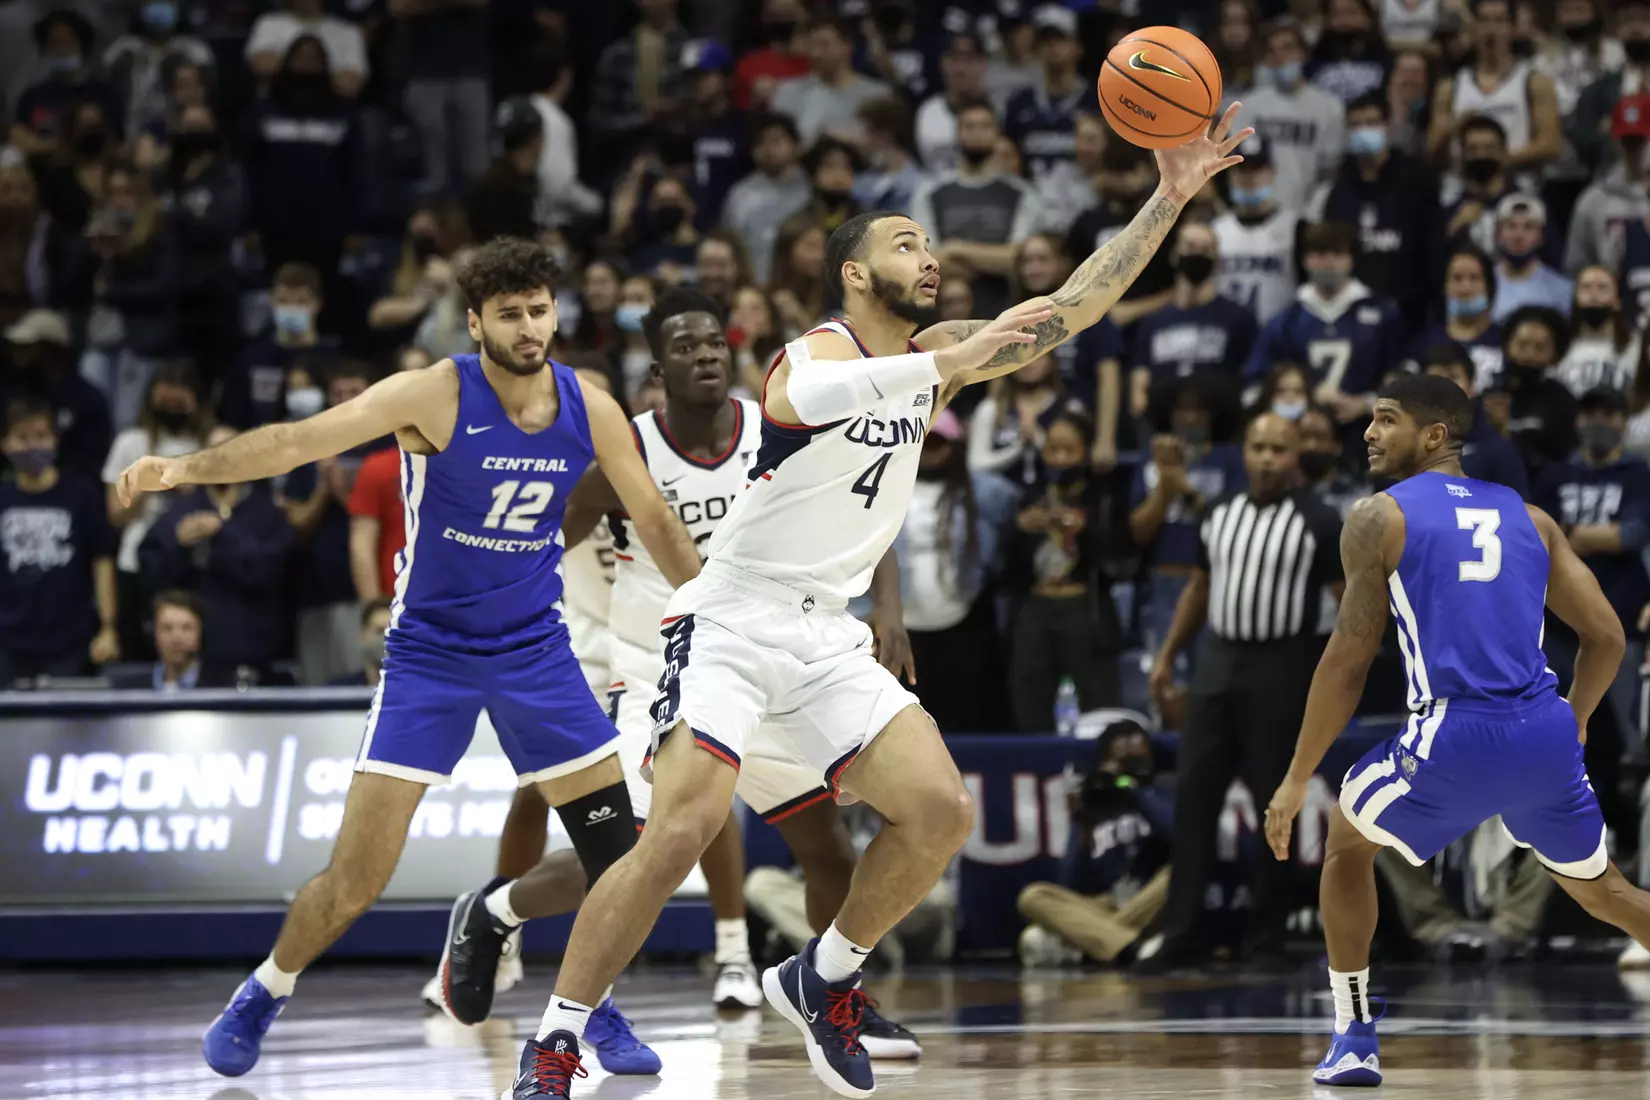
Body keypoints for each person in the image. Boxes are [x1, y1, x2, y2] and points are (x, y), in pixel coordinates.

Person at [500, 105, 1254, 1100]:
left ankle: (825, 976)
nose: (928, 255)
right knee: (676, 827)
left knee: (939, 809)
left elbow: (1070, 304)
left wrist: (1169, 196)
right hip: (731, 617)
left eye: (932, 242)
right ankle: (554, 1037)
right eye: (907, 242)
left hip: (822, 626)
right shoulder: (814, 351)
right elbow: (807, 403)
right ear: (855, 271)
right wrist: (947, 365)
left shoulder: (932, 355)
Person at [115, 238, 702, 1079]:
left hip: (536, 647)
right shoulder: (436, 393)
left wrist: (714, 607)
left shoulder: (593, 405)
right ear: (475, 322)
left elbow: (654, 517)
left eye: (540, 310)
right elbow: (300, 440)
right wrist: (183, 468)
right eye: (510, 314)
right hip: (430, 654)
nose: (530, 327)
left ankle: (588, 1012)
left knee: (620, 856)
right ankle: (266, 988)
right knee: (356, 881)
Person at [431, 289, 920, 1054]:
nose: (705, 356)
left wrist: (887, 610)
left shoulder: (780, 424)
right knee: (629, 849)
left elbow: (863, 506)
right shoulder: (629, 450)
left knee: (826, 845)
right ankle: (498, 911)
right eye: (686, 347)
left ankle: (836, 997)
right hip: (661, 664)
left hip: (768, 653)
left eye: (715, 344)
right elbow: (543, 539)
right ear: (658, 369)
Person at [1261, 372, 1647, 1088]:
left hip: (1454, 734)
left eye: (1384, 420)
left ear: (1434, 435)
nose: (1368, 433)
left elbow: (1346, 663)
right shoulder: (1531, 518)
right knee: (1608, 895)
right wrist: (1579, 720)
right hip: (1543, 732)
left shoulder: (1378, 516)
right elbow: (1608, 638)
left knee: (1347, 844)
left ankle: (1353, 1036)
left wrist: (1292, 778)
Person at [1140, 412, 1345, 972]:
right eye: (1257, 446)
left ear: (1295, 456)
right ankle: (1181, 934)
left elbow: (1348, 601)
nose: (1265, 458)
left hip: (1281, 667)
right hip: (1216, 663)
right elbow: (1200, 589)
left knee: (1273, 807)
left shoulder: (1320, 521)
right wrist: (1166, 656)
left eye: (1278, 448)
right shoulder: (1221, 514)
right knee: (1193, 803)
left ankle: (1266, 938)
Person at [0, 399, 118, 684]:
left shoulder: (81, 494)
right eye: (22, 438)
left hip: (69, 640)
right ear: (4, 444)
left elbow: (101, 561)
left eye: (41, 437)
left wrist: (108, 627)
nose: (32, 447)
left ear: (55, 440)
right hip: (7, 640)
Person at [1421, 341, 1530, 496]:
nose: (1445, 388)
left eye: (1453, 377)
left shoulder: (1497, 448)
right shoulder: (1408, 446)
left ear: (1472, 386)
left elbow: (1518, 509)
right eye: (1436, 379)